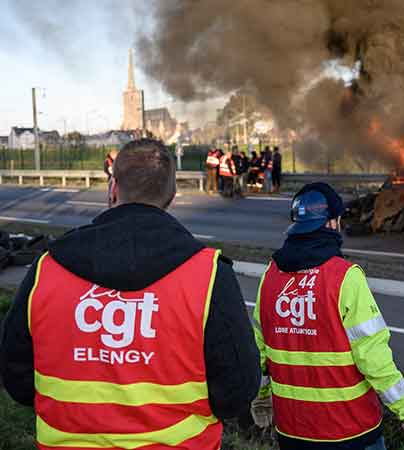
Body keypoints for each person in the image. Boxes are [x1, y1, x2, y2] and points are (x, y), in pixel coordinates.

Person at [0, 138, 261, 449]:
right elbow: (238, 389)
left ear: (113, 189)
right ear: (172, 196)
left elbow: (16, 375)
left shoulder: (48, 268)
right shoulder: (208, 273)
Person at [251, 182, 404, 450]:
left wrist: (260, 396)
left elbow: (260, 354)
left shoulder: (270, 277)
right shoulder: (345, 277)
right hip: (350, 431)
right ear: (332, 222)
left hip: (293, 431)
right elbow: (374, 358)